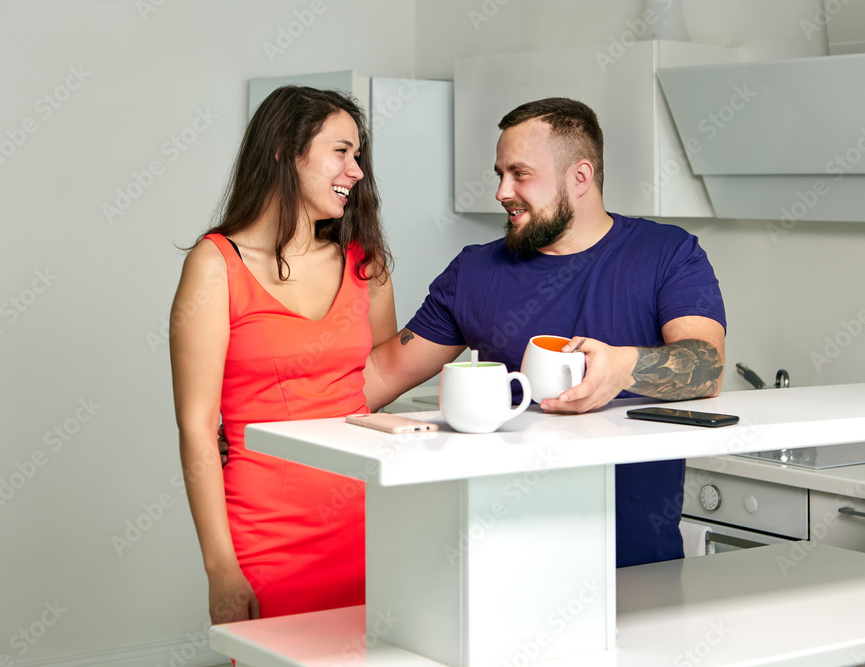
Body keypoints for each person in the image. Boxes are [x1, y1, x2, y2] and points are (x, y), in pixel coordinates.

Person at [363, 97, 726, 568]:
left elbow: (707, 367)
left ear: (580, 176)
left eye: (519, 174)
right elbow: (379, 373)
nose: (501, 191)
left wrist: (623, 368)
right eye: (499, 174)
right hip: (501, 563)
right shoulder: (475, 272)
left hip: (638, 563)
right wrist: (250, 428)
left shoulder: (667, 255)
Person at [170, 85, 396, 624]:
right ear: (283, 151)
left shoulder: (367, 263)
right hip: (267, 535)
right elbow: (197, 426)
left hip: (368, 522)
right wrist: (220, 567)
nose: (356, 170)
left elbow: (380, 380)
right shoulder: (215, 264)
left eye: (358, 155)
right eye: (341, 151)